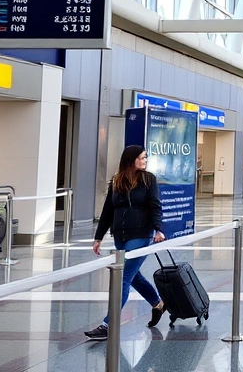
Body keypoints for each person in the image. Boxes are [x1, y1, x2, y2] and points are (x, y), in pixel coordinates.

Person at [85, 145, 167, 340]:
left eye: (145, 157)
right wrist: (98, 237)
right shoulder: (117, 181)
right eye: (141, 157)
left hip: (140, 235)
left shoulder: (148, 179)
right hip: (120, 235)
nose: (144, 160)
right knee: (134, 275)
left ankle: (107, 324)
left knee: (123, 278)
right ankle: (158, 303)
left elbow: (155, 205)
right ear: (130, 159)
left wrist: (159, 228)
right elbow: (107, 211)